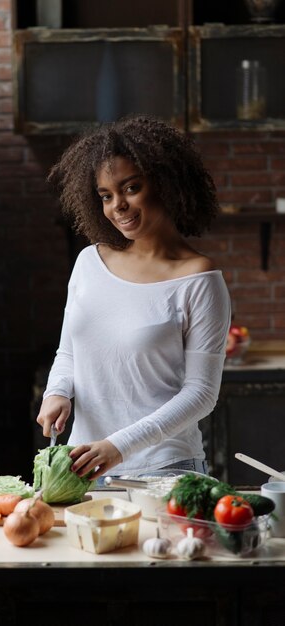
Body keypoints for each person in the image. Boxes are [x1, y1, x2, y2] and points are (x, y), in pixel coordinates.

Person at [36, 114, 231, 482]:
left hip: (165, 471)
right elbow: (69, 352)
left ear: (166, 184)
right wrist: (57, 392)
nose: (117, 206)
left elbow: (202, 393)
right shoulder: (89, 262)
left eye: (131, 188)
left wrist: (119, 445)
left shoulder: (199, 280)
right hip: (84, 467)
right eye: (106, 196)